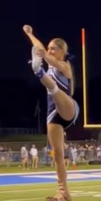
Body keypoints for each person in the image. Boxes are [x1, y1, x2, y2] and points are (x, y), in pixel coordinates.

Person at [23, 25, 79, 187]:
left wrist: (44, 55)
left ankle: (38, 72)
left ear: (62, 51)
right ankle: (62, 187)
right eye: (49, 48)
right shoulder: (50, 64)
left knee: (53, 88)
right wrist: (30, 34)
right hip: (52, 113)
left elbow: (53, 60)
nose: (50, 51)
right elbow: (38, 47)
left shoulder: (66, 66)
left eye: (53, 49)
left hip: (69, 109)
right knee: (58, 155)